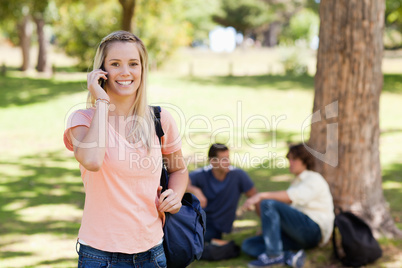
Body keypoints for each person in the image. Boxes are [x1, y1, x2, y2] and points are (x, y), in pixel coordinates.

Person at [63, 31, 188, 268]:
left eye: (133, 64)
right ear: (101, 71)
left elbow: (179, 170)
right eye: (115, 64)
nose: (125, 72)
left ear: (142, 69)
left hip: (153, 253)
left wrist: (176, 195)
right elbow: (91, 160)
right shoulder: (82, 120)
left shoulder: (160, 119)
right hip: (100, 257)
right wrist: (101, 101)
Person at [241, 143, 335, 268]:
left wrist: (261, 195)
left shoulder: (313, 178)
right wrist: (269, 231)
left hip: (313, 230)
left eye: (294, 159)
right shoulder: (296, 183)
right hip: (297, 234)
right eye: (289, 159)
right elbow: (289, 213)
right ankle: (288, 257)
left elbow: (291, 197)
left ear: (305, 161)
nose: (290, 163)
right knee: (249, 244)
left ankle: (274, 256)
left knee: (268, 203)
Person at [187, 143, 257, 244]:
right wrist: (194, 190)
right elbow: (181, 182)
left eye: (228, 158)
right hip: (200, 221)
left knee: (196, 239)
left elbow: (256, 198)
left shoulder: (238, 175)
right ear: (213, 161)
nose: (228, 162)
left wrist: (265, 226)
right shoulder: (201, 175)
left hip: (217, 227)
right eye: (224, 159)